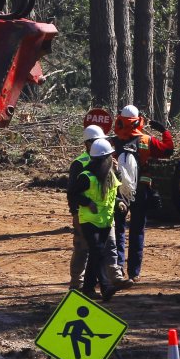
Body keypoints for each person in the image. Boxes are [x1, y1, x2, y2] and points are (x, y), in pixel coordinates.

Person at [111, 104, 174, 282]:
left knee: (119, 231)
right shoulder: (147, 141)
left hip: (118, 192)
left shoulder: (113, 142)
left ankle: (117, 270)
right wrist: (164, 131)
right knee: (137, 231)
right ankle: (134, 273)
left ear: (120, 120)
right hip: (142, 192)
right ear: (139, 121)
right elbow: (168, 150)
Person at [71, 138, 133, 301]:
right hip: (89, 220)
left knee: (95, 254)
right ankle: (106, 286)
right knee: (97, 250)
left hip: (105, 220)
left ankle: (89, 289)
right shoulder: (86, 176)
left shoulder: (111, 175)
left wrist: (120, 203)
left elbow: (113, 195)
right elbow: (73, 194)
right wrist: (87, 202)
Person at [67, 125, 107, 293]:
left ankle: (98, 282)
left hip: (102, 217)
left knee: (99, 250)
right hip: (84, 215)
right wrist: (75, 213)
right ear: (88, 144)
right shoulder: (80, 164)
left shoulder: (105, 160)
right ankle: (76, 283)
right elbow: (72, 192)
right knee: (82, 248)